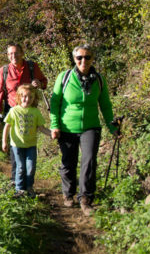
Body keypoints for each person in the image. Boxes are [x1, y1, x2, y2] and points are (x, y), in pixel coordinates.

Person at [50, 44, 119, 216]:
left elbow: (105, 105)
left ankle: (86, 198)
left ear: (92, 59)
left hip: (91, 126)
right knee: (68, 163)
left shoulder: (99, 79)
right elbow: (55, 102)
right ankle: (68, 194)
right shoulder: (64, 77)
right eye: (79, 57)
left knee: (89, 161)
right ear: (74, 59)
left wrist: (112, 127)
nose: (83, 61)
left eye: (87, 57)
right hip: (67, 127)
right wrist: (55, 125)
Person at [0, 43, 48, 181]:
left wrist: (39, 84)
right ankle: (16, 179)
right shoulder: (4, 71)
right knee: (15, 143)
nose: (13, 56)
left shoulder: (32, 67)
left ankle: (25, 180)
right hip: (12, 109)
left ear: (22, 53)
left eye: (16, 53)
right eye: (10, 54)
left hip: (30, 109)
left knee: (27, 139)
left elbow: (44, 82)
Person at [2, 84, 51, 197]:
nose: (27, 99)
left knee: (30, 168)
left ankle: (29, 187)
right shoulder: (14, 111)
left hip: (31, 145)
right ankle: (19, 189)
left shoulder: (35, 112)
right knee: (20, 168)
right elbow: (7, 127)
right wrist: (4, 142)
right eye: (24, 96)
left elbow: (41, 128)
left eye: (30, 97)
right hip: (17, 145)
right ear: (19, 97)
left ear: (34, 99)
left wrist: (51, 134)